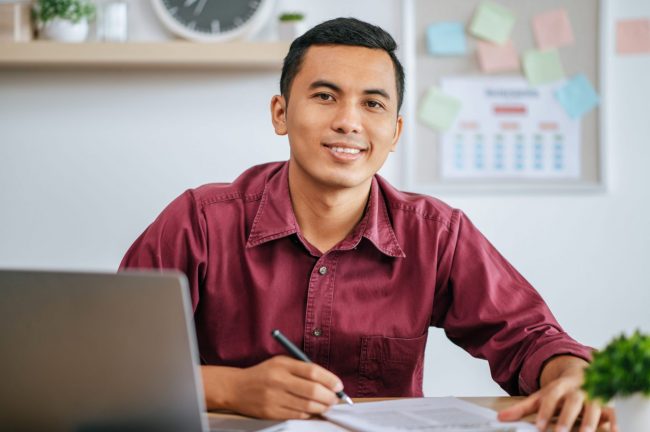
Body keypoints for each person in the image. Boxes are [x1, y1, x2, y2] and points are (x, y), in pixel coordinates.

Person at [121, 18, 615, 432]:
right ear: (281, 113)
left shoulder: (435, 233)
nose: (349, 122)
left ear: (395, 131)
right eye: (324, 96)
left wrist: (569, 374)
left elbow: (531, 337)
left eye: (373, 104)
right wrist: (233, 389)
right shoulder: (199, 221)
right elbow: (112, 361)